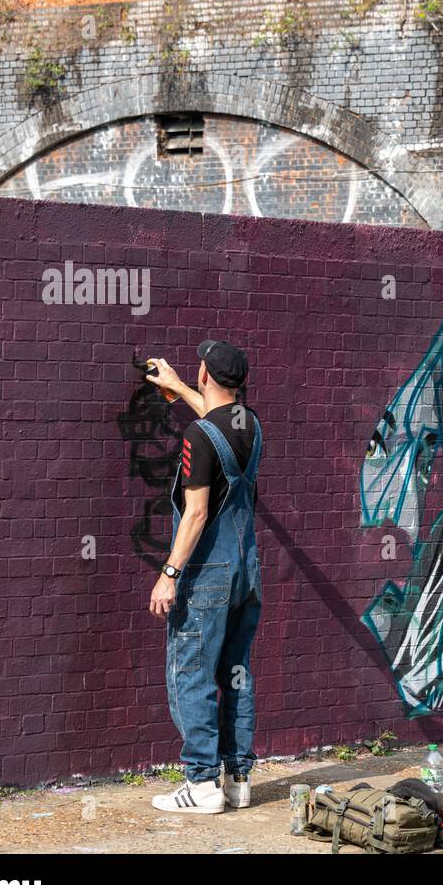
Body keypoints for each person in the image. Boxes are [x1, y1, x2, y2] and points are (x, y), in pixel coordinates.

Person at [144, 340, 262, 814]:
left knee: (190, 673)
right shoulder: (250, 423)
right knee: (236, 674)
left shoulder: (199, 435)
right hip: (247, 572)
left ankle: (202, 784)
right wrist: (175, 388)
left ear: (204, 374)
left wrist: (168, 574)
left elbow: (194, 514)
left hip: (206, 574)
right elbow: (220, 421)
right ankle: (237, 780)